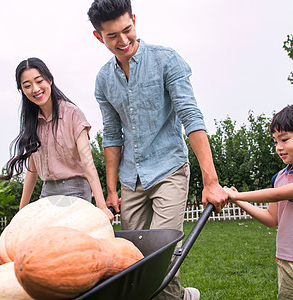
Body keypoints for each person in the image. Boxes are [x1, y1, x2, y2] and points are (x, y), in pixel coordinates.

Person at [87, 1, 227, 299]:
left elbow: (191, 116)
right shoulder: (103, 80)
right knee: (131, 257)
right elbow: (112, 136)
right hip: (130, 179)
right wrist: (111, 190)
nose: (123, 41)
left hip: (169, 169)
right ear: (99, 36)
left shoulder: (166, 60)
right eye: (112, 36)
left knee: (163, 253)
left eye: (127, 30)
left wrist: (211, 181)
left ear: (134, 20)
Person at [224, 103, 293, 299]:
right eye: (275, 141)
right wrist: (237, 201)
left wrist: (237, 195)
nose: (278, 147)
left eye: (285, 139)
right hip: (288, 264)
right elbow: (272, 219)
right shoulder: (278, 178)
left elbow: (278, 195)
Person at [0, 57, 113, 221]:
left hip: (76, 190)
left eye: (39, 81)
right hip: (47, 192)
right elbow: (32, 170)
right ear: (22, 91)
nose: (35, 89)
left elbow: (88, 163)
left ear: (50, 80)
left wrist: (101, 207)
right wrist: (21, 212)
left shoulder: (72, 114)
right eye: (27, 86)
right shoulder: (32, 122)